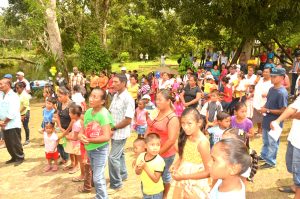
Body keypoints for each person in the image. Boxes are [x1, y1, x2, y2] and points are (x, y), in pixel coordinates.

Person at [80, 88, 114, 199]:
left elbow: (106, 136)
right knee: (96, 175)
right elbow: (83, 129)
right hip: (90, 149)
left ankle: (103, 197)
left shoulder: (103, 115)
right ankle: (99, 195)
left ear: (102, 101)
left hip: (100, 149)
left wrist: (89, 140)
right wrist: (81, 136)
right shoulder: (88, 112)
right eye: (91, 96)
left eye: (95, 97)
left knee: (97, 177)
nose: (91, 99)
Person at [170, 108, 211, 198]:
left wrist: (184, 177)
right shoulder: (185, 137)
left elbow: (208, 172)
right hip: (182, 177)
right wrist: (176, 165)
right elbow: (183, 156)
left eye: (189, 123)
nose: (185, 127)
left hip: (195, 181)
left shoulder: (202, 143)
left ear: (199, 123)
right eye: (183, 123)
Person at [146, 89, 180, 199]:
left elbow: (171, 140)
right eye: (156, 99)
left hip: (165, 153)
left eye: (160, 99)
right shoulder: (158, 111)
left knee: (164, 176)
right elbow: (151, 126)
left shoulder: (172, 118)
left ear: (168, 101)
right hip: (154, 150)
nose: (157, 102)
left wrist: (157, 153)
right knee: (154, 174)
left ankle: (164, 196)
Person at [108, 74, 135, 194]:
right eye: (112, 82)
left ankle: (116, 184)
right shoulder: (116, 95)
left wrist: (113, 127)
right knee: (120, 155)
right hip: (114, 132)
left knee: (112, 158)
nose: (113, 84)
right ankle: (123, 175)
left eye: (116, 82)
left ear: (124, 83)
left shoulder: (127, 98)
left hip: (120, 133)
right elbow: (110, 111)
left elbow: (128, 120)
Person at [259, 67, 288, 169]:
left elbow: (283, 111)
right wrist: (264, 107)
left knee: (273, 142)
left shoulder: (282, 93)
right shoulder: (271, 89)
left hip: (275, 122)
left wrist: (267, 110)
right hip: (267, 119)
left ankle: (271, 162)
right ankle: (264, 156)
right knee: (266, 140)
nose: (272, 78)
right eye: (272, 76)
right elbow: (269, 102)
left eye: (274, 76)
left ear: (282, 78)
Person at [272, 96, 300, 197]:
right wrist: (278, 120)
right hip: (295, 137)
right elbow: (293, 107)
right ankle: (296, 186)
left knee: (298, 169)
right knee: (293, 165)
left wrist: (292, 116)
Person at [0, 78, 24, 166]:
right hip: (3, 123)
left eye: (1, 84)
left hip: (12, 123)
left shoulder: (13, 96)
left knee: (15, 142)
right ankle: (13, 157)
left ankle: (20, 157)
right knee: (8, 143)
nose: (0, 86)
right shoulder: (1, 94)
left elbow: (12, 112)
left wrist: (4, 122)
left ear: (8, 85)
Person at [135, 133, 165, 199]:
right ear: (145, 146)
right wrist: (139, 168)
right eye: (152, 145)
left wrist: (145, 167)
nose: (155, 148)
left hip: (155, 192)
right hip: (145, 188)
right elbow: (137, 173)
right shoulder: (141, 156)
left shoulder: (159, 161)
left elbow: (156, 179)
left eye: (158, 145)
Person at [64, 104, 84, 177]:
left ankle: (82, 175)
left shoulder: (76, 124)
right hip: (81, 144)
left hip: (77, 145)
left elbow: (75, 138)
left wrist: (67, 137)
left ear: (75, 114)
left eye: (70, 113)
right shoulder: (81, 121)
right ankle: (83, 174)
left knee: (80, 161)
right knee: (82, 160)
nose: (69, 114)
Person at [252, 67, 273, 136]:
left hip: (265, 102)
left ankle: (263, 131)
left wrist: (268, 94)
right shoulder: (260, 79)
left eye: (267, 72)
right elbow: (254, 85)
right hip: (256, 101)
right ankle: (259, 130)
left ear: (270, 73)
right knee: (257, 117)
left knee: (264, 117)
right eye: (264, 72)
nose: (264, 73)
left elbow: (274, 91)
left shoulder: (272, 82)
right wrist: (255, 81)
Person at [56, 87, 74, 165]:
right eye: (58, 96)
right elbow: (58, 115)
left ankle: (70, 160)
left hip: (70, 130)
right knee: (59, 144)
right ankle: (63, 158)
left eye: (60, 96)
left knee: (69, 147)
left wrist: (66, 131)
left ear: (67, 95)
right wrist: (60, 127)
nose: (58, 98)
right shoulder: (59, 103)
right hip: (61, 128)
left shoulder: (72, 105)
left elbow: (73, 120)